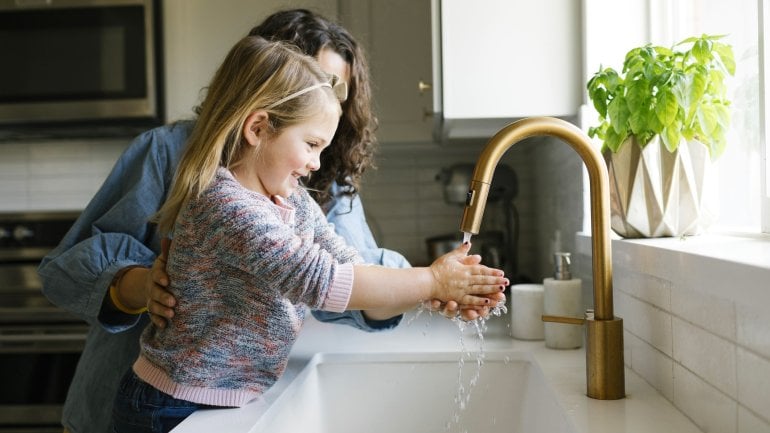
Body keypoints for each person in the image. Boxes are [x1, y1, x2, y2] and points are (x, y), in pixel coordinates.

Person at [38, 9, 501, 433]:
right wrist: (137, 284)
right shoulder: (195, 174)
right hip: (156, 401)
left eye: (336, 91)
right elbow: (64, 269)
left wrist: (435, 288)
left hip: (228, 400)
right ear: (262, 107)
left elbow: (352, 273)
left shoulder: (301, 183)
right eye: (311, 82)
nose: (324, 100)